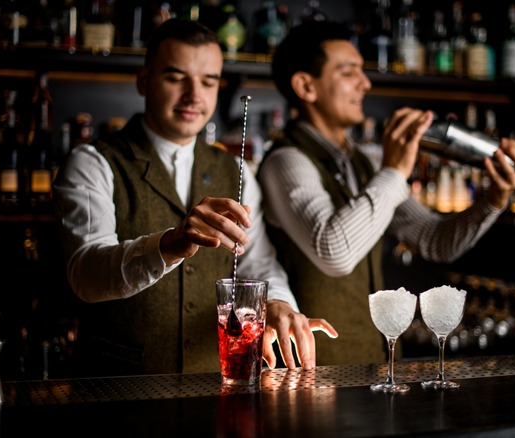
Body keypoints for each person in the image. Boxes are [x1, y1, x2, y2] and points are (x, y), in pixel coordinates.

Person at [53, 18, 336, 377]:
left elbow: (258, 262)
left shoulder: (236, 169)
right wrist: (169, 244)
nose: (194, 96)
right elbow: (85, 274)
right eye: (176, 77)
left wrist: (277, 302)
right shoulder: (92, 162)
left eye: (208, 81)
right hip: (116, 388)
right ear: (144, 80)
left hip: (214, 386)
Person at [257, 21, 515, 366]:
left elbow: (435, 240)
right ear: (305, 86)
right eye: (349, 72)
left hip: (377, 362)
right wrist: (396, 171)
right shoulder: (287, 161)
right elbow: (334, 252)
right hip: (315, 369)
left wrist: (493, 200)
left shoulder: (360, 163)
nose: (365, 83)